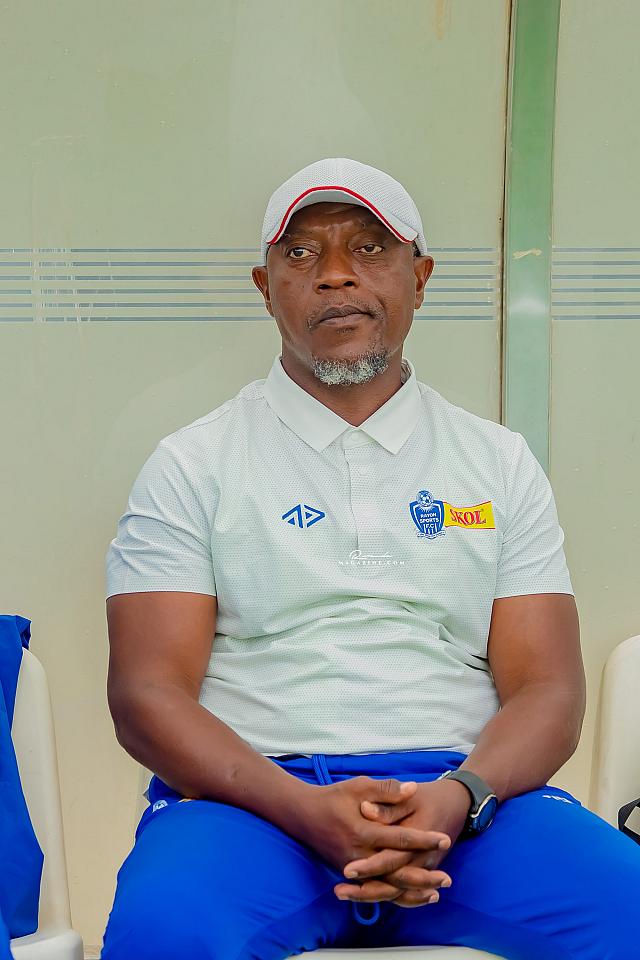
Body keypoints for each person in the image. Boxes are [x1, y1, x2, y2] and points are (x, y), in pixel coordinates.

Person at [101, 158, 640, 959]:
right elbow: (146, 694)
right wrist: (302, 811)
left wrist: (459, 796)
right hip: (253, 807)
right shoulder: (193, 464)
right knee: (167, 932)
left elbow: (548, 688)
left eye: (369, 247)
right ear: (266, 288)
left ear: (420, 278)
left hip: (472, 806)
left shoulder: (497, 462)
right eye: (301, 253)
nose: (336, 274)